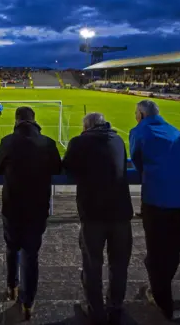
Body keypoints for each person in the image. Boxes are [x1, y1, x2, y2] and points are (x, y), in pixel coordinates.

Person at [63, 113, 133, 325]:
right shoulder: (118, 140)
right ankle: (116, 308)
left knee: (93, 264)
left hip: (93, 213)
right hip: (121, 212)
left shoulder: (79, 142)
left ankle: (96, 311)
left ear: (86, 127)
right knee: (119, 265)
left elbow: (67, 168)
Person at [0, 106, 62, 321]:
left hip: (12, 207)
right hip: (37, 208)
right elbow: (58, 169)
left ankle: (12, 286)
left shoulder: (8, 141)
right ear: (34, 120)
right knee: (31, 255)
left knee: (12, 248)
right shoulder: (48, 143)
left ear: (16, 121)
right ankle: (28, 302)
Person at [129, 100, 180, 320]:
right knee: (173, 250)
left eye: (136, 113)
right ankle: (161, 289)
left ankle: (162, 299)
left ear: (140, 113)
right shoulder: (176, 131)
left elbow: (138, 162)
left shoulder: (140, 131)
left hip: (158, 201)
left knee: (156, 254)